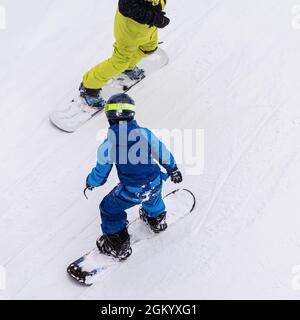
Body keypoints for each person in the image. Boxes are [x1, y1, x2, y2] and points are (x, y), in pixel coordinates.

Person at [85, 93, 183, 260]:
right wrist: (172, 168)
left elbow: (101, 173)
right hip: (155, 181)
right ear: (131, 115)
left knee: (108, 208)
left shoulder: (108, 145)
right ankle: (156, 219)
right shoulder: (144, 133)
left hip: (132, 190)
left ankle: (117, 244)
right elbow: (162, 152)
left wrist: (91, 182)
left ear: (109, 118)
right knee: (153, 197)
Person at [79, 0, 170, 108]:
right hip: (129, 33)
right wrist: (154, 18)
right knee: (119, 63)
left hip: (147, 30)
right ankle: (89, 87)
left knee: (148, 48)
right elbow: (126, 6)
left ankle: (129, 68)